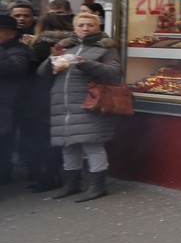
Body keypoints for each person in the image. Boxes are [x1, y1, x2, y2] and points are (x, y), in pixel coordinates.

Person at [38, 12, 121, 202]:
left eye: (90, 25)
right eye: (81, 25)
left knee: (92, 144)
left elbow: (112, 72)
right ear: (74, 28)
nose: (85, 28)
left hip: (89, 102)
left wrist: (84, 62)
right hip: (62, 104)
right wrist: (51, 59)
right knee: (68, 145)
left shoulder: (106, 48)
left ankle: (97, 186)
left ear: (98, 27)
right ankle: (71, 184)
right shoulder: (65, 46)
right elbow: (42, 73)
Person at [24, 13, 73, 192]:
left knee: (42, 137)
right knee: (54, 137)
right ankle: (54, 173)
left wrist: (26, 46)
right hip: (63, 92)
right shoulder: (71, 43)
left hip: (40, 94)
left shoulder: (38, 44)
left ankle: (48, 176)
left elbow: (32, 69)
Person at [0, 15, 32, 185]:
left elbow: (11, 69)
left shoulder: (20, 51)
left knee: (4, 142)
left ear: (12, 34)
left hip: (7, 105)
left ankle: (4, 174)